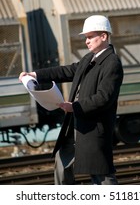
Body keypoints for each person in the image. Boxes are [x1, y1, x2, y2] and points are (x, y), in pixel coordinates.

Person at [19, 15, 124, 185]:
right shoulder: (89, 59)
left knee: (101, 174)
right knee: (62, 162)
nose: (86, 41)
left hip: (92, 128)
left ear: (103, 36)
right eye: (86, 38)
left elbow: (104, 98)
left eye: (90, 37)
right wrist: (35, 74)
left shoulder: (112, 63)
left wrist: (74, 107)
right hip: (75, 125)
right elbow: (66, 71)